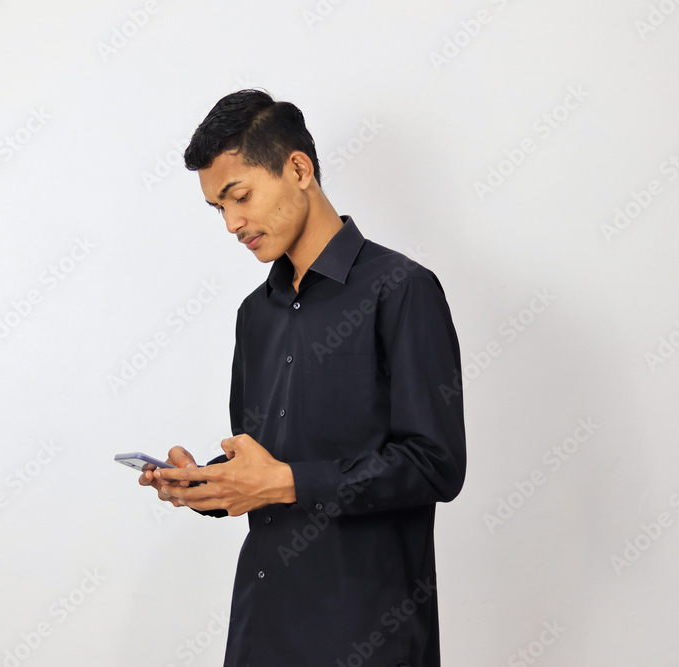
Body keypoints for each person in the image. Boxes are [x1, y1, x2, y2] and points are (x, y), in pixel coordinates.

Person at [138, 89, 466, 667]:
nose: (232, 224)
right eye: (218, 208)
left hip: (367, 634)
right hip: (261, 631)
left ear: (298, 169)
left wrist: (286, 482)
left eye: (240, 196)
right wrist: (204, 485)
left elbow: (434, 465)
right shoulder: (254, 315)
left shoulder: (401, 290)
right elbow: (266, 463)